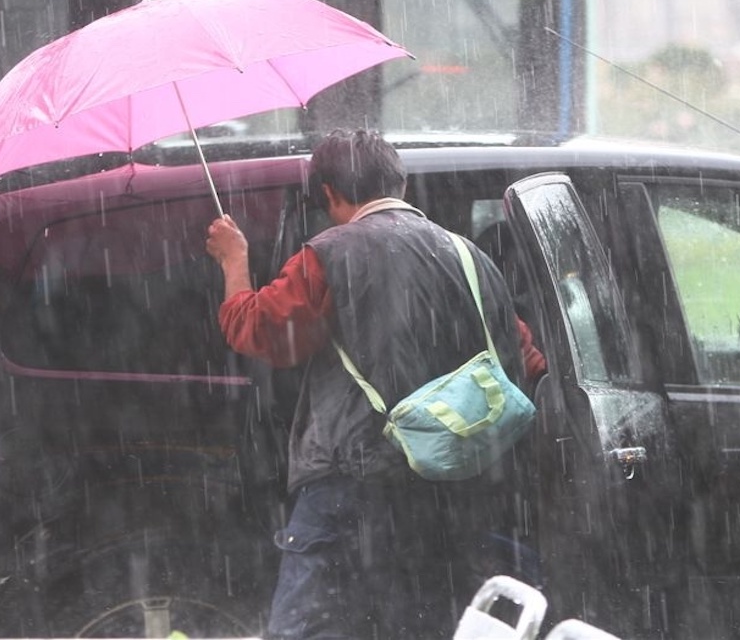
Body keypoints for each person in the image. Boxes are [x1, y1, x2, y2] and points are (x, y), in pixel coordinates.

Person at [205, 128, 546, 639]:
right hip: (448, 487)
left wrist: (234, 262)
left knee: (307, 628)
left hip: (350, 481)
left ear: (326, 194)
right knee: (414, 625)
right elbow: (527, 361)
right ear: (401, 184)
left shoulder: (329, 255)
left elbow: (263, 333)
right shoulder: (470, 256)